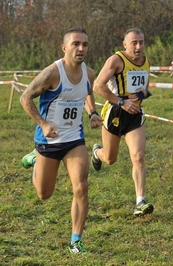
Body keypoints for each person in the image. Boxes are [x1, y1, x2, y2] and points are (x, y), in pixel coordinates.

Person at [19, 27, 102, 254]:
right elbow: (25, 97)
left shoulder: (90, 74)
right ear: (65, 48)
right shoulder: (52, 73)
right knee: (44, 194)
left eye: (85, 44)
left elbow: (86, 92)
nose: (81, 48)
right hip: (48, 141)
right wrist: (43, 124)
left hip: (74, 139)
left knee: (82, 186)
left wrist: (93, 113)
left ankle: (76, 241)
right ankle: (36, 159)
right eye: (76, 44)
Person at [91, 28, 154, 217]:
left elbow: (145, 87)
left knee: (138, 156)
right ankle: (96, 152)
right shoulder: (116, 60)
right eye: (134, 43)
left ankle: (139, 201)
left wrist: (143, 94)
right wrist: (121, 101)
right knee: (110, 159)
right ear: (125, 44)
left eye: (141, 42)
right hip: (115, 112)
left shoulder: (146, 62)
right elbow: (97, 86)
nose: (138, 46)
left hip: (135, 114)